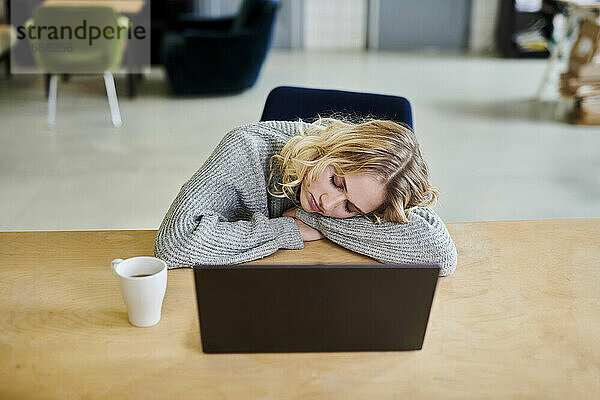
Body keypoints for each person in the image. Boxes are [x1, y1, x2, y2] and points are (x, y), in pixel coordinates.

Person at [154, 118, 457, 276]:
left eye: (350, 207)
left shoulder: (363, 198)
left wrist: (311, 219)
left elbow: (439, 255)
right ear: (335, 145)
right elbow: (174, 244)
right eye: (337, 181)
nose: (328, 203)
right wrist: (285, 229)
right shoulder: (244, 148)